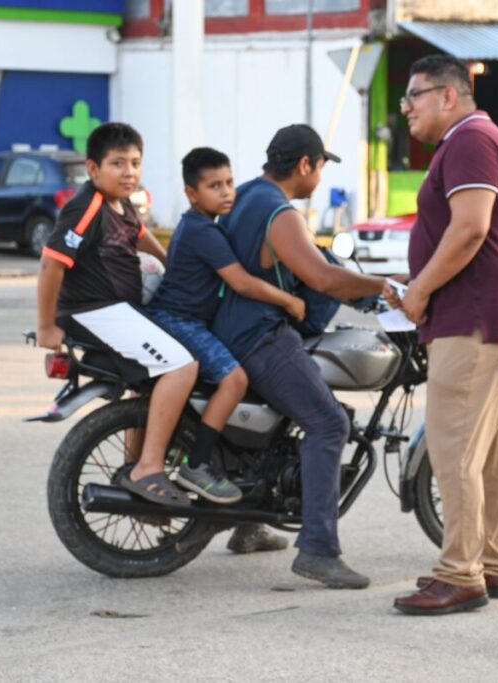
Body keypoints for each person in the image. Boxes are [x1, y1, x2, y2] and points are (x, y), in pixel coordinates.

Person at [210, 124, 384, 589]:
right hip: (259, 335)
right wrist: (385, 286)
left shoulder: (247, 194)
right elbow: (323, 278)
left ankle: (248, 525)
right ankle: (318, 551)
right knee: (329, 423)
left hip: (228, 327)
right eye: (321, 166)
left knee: (286, 418)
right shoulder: (281, 213)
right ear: (305, 164)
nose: (321, 176)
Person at [387, 54, 498, 616]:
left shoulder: (469, 139)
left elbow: (470, 228)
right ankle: (488, 563)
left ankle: (460, 573)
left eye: (413, 96)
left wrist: (420, 289)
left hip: (471, 321)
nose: (406, 109)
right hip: (485, 318)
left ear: (448, 95)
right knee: (490, 448)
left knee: (454, 449)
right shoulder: (475, 140)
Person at [37, 122, 198, 508]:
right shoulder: (86, 207)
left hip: (120, 310)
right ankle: (149, 469)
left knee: (151, 381)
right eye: (118, 163)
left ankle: (134, 471)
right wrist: (46, 326)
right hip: (94, 312)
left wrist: (170, 264)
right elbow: (51, 264)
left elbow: (138, 233)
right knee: (182, 367)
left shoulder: (122, 202)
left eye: (135, 163)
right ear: (93, 169)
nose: (129, 172)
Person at [146, 147, 305, 508]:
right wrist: (288, 300)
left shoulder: (202, 225)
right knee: (235, 380)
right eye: (214, 186)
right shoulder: (203, 231)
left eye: (230, 183)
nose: (227, 192)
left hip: (181, 319)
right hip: (180, 321)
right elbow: (241, 282)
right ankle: (197, 465)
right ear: (192, 193)